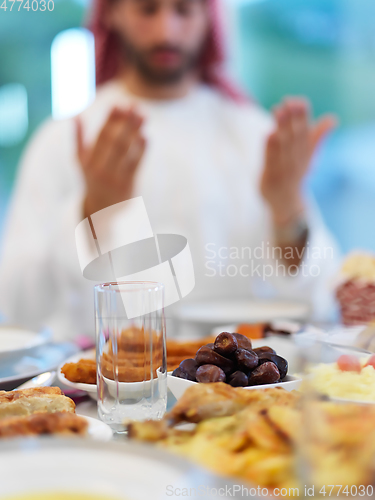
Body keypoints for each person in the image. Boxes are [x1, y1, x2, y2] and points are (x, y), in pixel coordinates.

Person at [0, 0, 339, 341]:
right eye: (148, 10)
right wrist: (94, 213)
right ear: (113, 14)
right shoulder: (66, 140)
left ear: (207, 18)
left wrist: (287, 211)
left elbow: (320, 300)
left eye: (183, 11)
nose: (166, 31)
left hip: (243, 383)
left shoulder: (253, 137)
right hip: (109, 386)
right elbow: (22, 304)